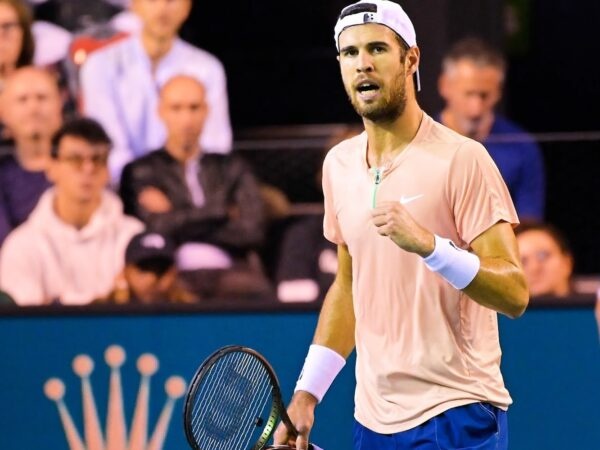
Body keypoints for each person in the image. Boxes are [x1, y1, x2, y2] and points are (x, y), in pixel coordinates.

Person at [274, 2, 529, 449]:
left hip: (456, 409)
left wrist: (433, 248)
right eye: (350, 53)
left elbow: (514, 294)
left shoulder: (462, 159)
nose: (363, 63)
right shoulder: (338, 165)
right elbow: (349, 286)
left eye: (377, 48)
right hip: (372, 418)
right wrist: (307, 394)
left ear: (411, 59)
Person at [119, 75, 272, 300]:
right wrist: (220, 212)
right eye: (176, 108)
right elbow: (155, 229)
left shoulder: (231, 166)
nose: (186, 119)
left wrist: (177, 215)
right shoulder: (142, 170)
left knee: (258, 291)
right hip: (169, 270)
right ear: (160, 111)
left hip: (232, 270)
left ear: (206, 111)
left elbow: (252, 230)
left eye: (194, 108)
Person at [79, 0, 232, 183]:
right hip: (120, 187)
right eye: (152, 0)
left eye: (171, 1)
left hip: (189, 191)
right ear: (134, 5)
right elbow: (107, 143)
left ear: (187, 7)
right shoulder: (100, 65)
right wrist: (138, 186)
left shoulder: (207, 69)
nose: (162, 9)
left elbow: (215, 143)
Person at [0, 117, 144, 305]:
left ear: (108, 170)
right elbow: (25, 323)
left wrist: (55, 301)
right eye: (75, 159)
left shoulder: (132, 235)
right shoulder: (23, 244)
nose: (88, 168)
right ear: (51, 167)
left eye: (98, 159)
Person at [438, 36, 545, 223]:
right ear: (445, 86)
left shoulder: (521, 147)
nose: (476, 109)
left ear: (499, 92)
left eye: (485, 95)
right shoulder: (418, 140)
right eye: (469, 94)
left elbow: (529, 225)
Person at [0, 66, 62, 245]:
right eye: (22, 100)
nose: (33, 108)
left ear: (60, 104)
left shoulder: (84, 165)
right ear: (3, 111)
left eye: (42, 98)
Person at [96, 230, 197, 304]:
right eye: (143, 269)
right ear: (125, 272)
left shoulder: (192, 314)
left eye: (161, 270)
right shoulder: (99, 316)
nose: (152, 278)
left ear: (174, 273)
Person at [516, 223, 574, 298]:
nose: (534, 268)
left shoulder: (592, 308)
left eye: (542, 256)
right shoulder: (500, 309)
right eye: (523, 262)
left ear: (567, 263)